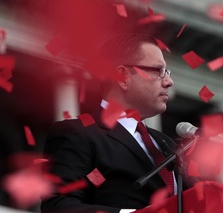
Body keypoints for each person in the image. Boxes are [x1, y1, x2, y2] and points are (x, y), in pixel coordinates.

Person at [41, 33, 176, 213]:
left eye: (166, 72)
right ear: (122, 77)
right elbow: (58, 206)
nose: (169, 82)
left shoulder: (168, 144)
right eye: (158, 70)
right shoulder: (77, 133)